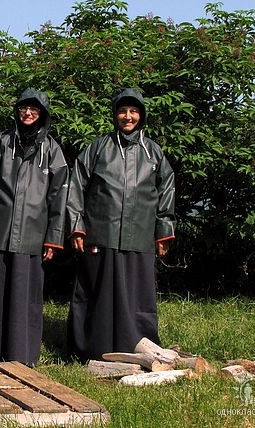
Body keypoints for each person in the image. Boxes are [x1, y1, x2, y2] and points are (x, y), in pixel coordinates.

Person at [66, 88, 176, 362]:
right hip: (101, 234)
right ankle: (91, 349)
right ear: (115, 115)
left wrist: (164, 230)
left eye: (134, 111)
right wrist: (76, 224)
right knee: (97, 294)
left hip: (140, 236)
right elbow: (76, 185)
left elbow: (167, 190)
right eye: (123, 111)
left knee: (137, 296)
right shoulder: (98, 148)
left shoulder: (153, 153)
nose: (128, 116)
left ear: (141, 115)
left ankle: (138, 346)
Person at [0, 88, 69, 366]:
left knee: (24, 298)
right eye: (24, 107)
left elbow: (59, 197)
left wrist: (54, 237)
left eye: (34, 109)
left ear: (43, 114)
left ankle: (20, 355)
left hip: (32, 236)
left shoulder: (52, 151)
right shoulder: (1, 143)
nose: (28, 113)